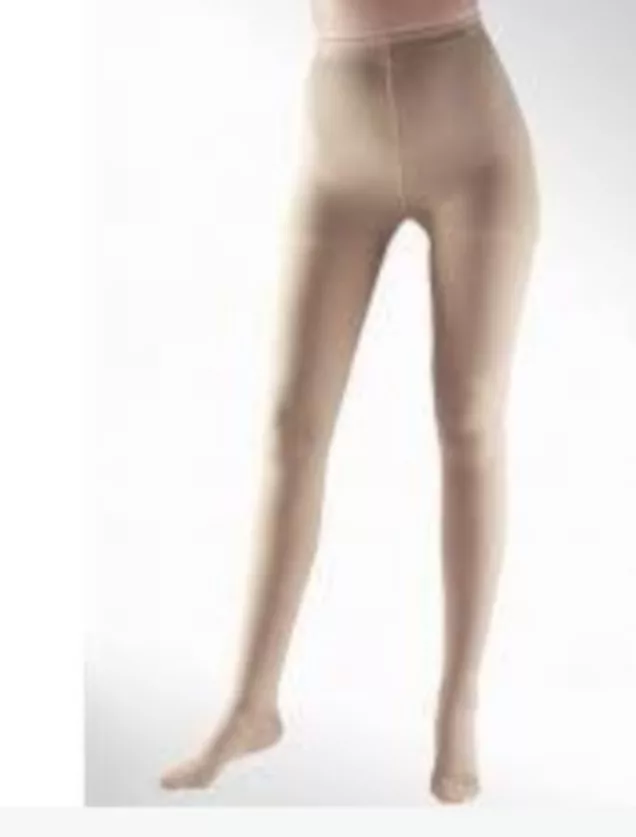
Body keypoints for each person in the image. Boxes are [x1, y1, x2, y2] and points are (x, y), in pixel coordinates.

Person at [159, 0, 540, 805]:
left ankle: (458, 703)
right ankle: (252, 701)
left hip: (473, 145)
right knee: (291, 426)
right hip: (338, 150)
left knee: (470, 419)